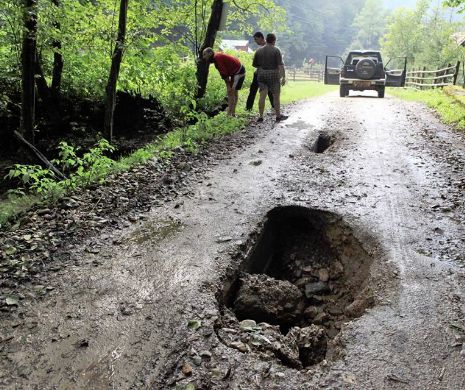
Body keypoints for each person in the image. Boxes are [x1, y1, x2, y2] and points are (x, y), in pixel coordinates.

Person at [252, 33, 288, 122]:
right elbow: (280, 65)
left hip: (261, 75)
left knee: (262, 96)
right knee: (276, 96)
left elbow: (255, 65)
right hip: (274, 75)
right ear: (274, 41)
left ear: (266, 39)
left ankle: (260, 116)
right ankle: (278, 116)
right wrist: (283, 77)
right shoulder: (276, 50)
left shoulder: (258, 51)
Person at [202, 47, 246, 117]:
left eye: (204, 54)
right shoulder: (216, 57)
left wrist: (228, 86)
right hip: (236, 71)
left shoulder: (217, 58)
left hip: (238, 72)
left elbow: (224, 73)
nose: (203, 57)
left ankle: (229, 114)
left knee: (231, 92)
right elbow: (224, 73)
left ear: (210, 53)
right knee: (233, 92)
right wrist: (228, 86)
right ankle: (232, 113)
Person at [246, 32, 274, 111]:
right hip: (259, 72)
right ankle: (248, 108)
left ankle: (274, 107)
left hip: (265, 72)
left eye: (256, 39)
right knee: (253, 90)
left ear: (261, 37)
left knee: (269, 91)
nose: (255, 41)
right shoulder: (261, 48)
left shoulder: (268, 47)